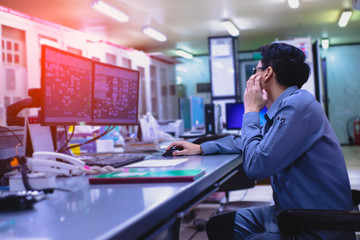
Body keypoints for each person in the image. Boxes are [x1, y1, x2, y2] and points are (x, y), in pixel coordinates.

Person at [165, 43, 354, 239]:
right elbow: (250, 142)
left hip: (314, 224)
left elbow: (256, 166)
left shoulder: (298, 106)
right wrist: (201, 148)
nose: (251, 77)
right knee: (219, 226)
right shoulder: (286, 107)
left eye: (256, 70)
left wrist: (251, 111)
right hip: (290, 215)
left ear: (267, 73)